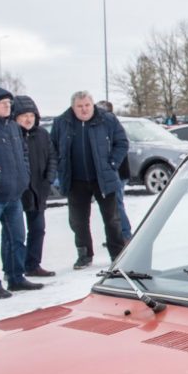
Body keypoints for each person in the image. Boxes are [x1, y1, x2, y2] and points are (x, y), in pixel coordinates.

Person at [51, 90, 129, 269]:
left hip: (103, 177)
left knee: (112, 219)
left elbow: (122, 142)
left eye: (87, 105)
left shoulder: (107, 119)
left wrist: (112, 163)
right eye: (80, 106)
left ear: (92, 104)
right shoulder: (61, 122)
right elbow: (52, 149)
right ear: (73, 107)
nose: (84, 110)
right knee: (78, 221)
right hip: (75, 179)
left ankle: (117, 255)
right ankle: (84, 255)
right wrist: (59, 170)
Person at [0, 87, 42, 298]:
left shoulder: (13, 127)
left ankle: (16, 277)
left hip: (14, 195)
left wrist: (24, 175)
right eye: (3, 103)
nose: (8, 106)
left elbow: (24, 154)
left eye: (9, 103)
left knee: (17, 238)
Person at [0, 96, 57, 278]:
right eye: (23, 115)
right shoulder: (10, 135)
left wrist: (49, 180)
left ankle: (33, 264)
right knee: (14, 234)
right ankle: (13, 269)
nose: (28, 119)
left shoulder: (42, 134)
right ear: (15, 117)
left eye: (31, 115)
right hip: (18, 191)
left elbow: (52, 158)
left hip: (39, 189)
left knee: (38, 229)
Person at [97, 100, 132, 241]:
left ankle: (124, 234)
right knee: (115, 205)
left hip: (118, 172)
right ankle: (118, 234)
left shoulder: (110, 125)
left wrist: (112, 165)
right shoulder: (105, 125)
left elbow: (121, 147)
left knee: (116, 204)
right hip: (116, 172)